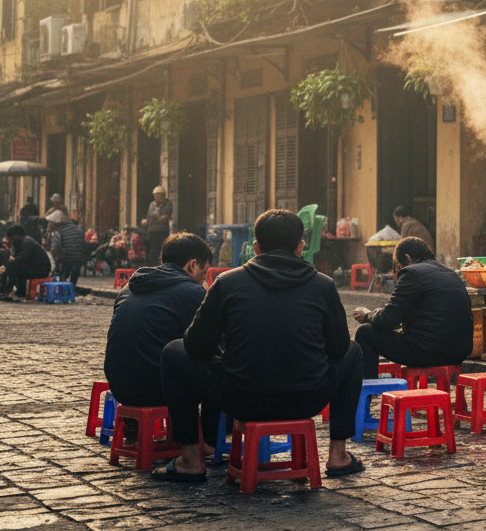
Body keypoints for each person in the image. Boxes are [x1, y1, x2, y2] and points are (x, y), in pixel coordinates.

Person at [156, 209, 363, 482]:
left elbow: (195, 345)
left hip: (240, 398)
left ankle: (191, 460)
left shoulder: (227, 283)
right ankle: (338, 455)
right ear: (300, 247)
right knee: (354, 349)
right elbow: (338, 349)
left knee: (173, 351)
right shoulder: (323, 286)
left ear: (255, 248)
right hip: (308, 397)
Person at [104, 232, 218, 448]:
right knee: (218, 365)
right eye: (203, 273)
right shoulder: (191, 291)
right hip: (156, 389)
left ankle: (134, 426)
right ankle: (209, 441)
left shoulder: (130, 286)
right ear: (192, 265)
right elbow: (210, 342)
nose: (203, 280)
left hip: (120, 387)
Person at [352, 237, 473, 379]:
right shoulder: (451, 273)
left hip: (428, 351)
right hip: (460, 352)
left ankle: (366, 394)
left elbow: (388, 320)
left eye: (397, 266)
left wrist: (367, 315)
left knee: (365, 333)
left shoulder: (412, 273)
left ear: (407, 259)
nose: (397, 272)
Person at [0, 224, 52, 301]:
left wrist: (10, 258)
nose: (10, 242)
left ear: (17, 236)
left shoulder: (26, 242)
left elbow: (20, 259)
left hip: (40, 269)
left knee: (12, 266)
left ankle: (9, 292)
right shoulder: (20, 243)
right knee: (10, 266)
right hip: (33, 267)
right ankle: (11, 291)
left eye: (11, 239)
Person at [48, 210, 87, 286]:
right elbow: (83, 244)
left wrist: (57, 260)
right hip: (79, 258)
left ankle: (61, 286)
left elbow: (55, 249)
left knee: (56, 272)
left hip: (66, 259)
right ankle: (71, 288)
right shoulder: (78, 229)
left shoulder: (58, 232)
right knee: (73, 278)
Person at [143, 186, 173, 268]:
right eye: (156, 196)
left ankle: (163, 266)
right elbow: (150, 217)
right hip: (153, 230)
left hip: (163, 230)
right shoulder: (152, 205)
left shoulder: (168, 204)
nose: (158, 198)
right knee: (153, 250)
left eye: (160, 196)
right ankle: (153, 266)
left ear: (164, 196)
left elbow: (166, 215)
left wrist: (160, 218)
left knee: (163, 249)